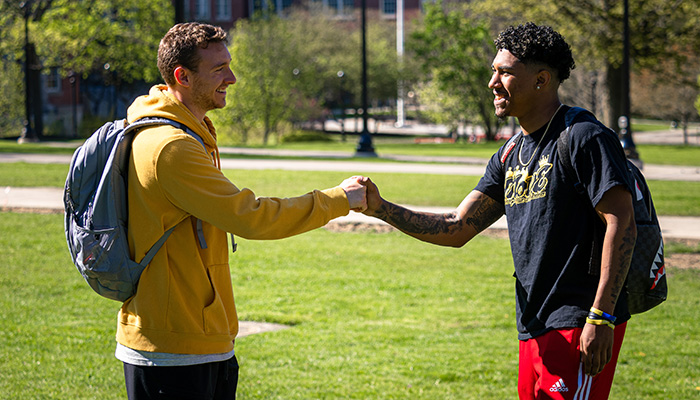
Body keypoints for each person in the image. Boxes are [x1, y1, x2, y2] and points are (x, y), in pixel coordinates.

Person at [360, 23, 636, 399]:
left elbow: (621, 223)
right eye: (494, 71)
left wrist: (601, 316)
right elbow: (457, 227)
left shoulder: (584, 138)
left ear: (541, 80)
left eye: (504, 72)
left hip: (578, 321)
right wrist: (380, 208)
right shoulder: (509, 153)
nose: (492, 82)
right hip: (533, 325)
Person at [116, 22, 366, 399]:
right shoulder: (171, 147)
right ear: (182, 76)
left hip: (198, 336)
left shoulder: (187, 131)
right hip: (173, 348)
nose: (231, 78)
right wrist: (338, 200)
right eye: (219, 69)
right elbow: (250, 216)